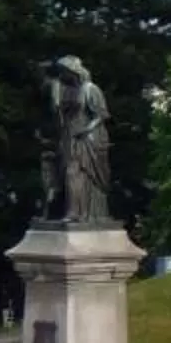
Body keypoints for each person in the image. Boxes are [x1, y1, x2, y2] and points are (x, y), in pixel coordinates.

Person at [43, 56, 115, 225]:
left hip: (87, 137)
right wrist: (55, 92)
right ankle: (68, 211)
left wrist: (86, 130)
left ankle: (76, 212)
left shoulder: (90, 89)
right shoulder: (63, 90)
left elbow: (101, 115)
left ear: (72, 72)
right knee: (64, 173)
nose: (61, 75)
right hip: (69, 136)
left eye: (63, 71)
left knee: (74, 172)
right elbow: (58, 114)